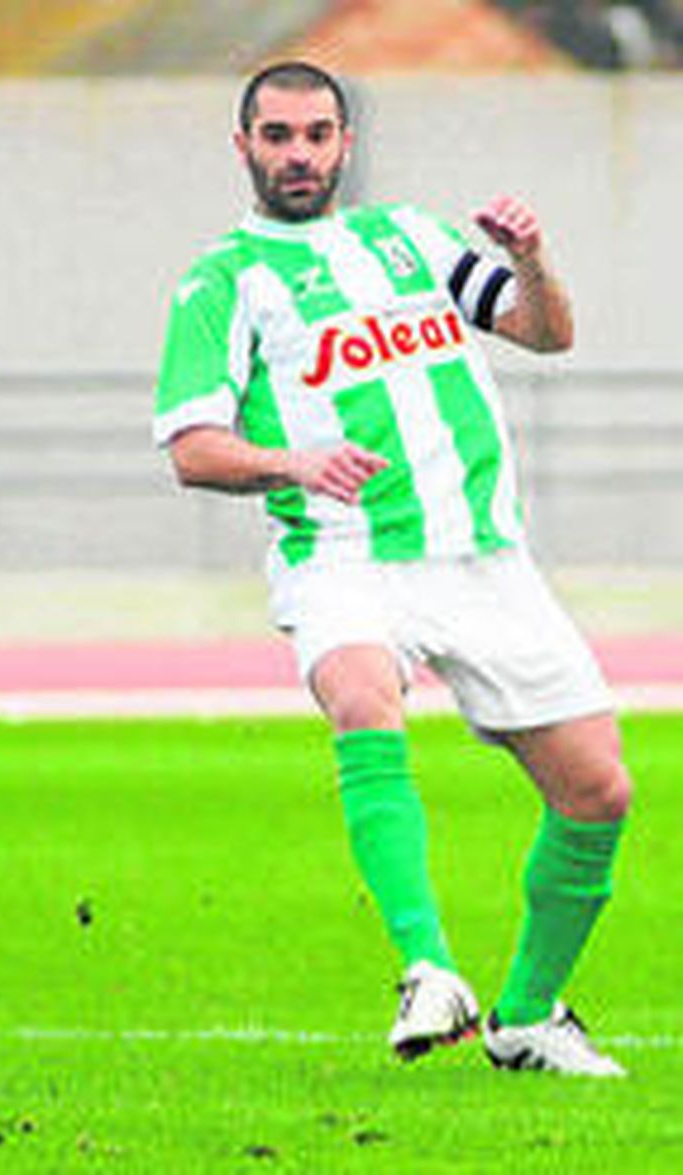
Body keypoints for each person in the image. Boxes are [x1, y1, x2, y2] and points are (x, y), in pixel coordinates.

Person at [153, 61, 633, 1076]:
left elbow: (546, 334)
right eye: (277, 135)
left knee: (597, 791)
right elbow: (193, 448)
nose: (298, 154)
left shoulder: (411, 237)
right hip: (343, 553)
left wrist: (532, 260)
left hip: (484, 555)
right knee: (363, 697)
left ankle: (526, 1016)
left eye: (316, 134)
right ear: (243, 146)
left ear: (344, 142)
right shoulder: (221, 280)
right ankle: (428, 967)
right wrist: (293, 462)